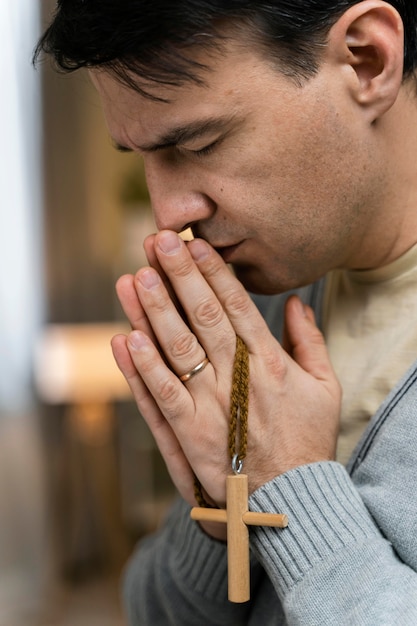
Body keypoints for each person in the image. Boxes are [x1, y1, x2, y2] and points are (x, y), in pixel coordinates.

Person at [35, 1, 417, 623]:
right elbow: (151, 611)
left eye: (201, 142)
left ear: (367, 61)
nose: (168, 213)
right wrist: (216, 514)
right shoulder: (258, 302)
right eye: (142, 156)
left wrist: (288, 483)